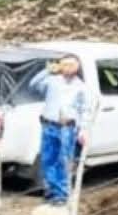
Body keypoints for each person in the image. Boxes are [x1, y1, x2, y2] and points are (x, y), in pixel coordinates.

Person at [37, 54, 94, 206]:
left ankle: (61, 195)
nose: (67, 68)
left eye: (71, 65)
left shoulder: (81, 87)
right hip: (49, 125)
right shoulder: (51, 81)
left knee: (63, 161)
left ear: (77, 68)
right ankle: (50, 192)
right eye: (64, 64)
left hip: (67, 128)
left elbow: (85, 110)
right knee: (47, 159)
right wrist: (47, 71)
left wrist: (83, 130)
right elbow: (34, 85)